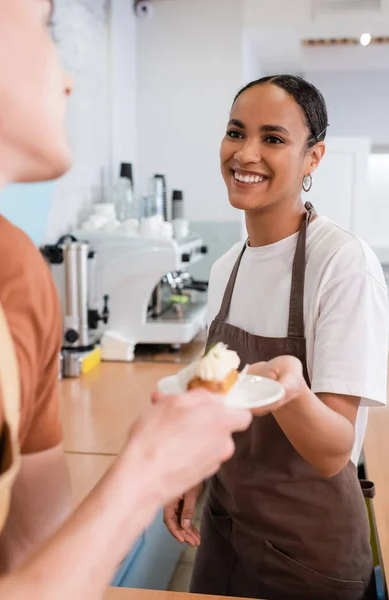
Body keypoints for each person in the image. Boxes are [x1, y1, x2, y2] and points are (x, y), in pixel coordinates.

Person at [0, 1, 253, 598]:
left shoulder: (15, 274)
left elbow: (37, 555)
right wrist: (143, 475)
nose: (67, 77)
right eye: (44, 26)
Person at [163, 75, 389, 600]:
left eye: (274, 138)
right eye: (236, 132)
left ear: (313, 158)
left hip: (307, 554)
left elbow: (334, 449)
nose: (246, 153)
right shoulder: (226, 268)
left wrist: (291, 394)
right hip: (224, 533)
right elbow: (220, 397)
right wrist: (192, 469)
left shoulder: (342, 265)